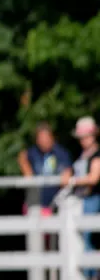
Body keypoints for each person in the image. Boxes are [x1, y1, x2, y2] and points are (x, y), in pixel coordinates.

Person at [67, 117, 100, 276]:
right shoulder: (83, 155)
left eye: (85, 137)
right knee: (81, 239)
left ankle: (91, 274)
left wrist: (74, 181)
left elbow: (94, 178)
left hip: (92, 199)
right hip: (82, 201)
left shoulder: (96, 155)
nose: (83, 141)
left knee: (88, 238)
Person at [18, 121, 73, 212]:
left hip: (56, 204)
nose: (44, 141)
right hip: (35, 203)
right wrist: (26, 169)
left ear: (52, 137)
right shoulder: (32, 153)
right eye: (41, 138)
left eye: (46, 137)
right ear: (37, 140)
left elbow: (67, 173)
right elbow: (22, 160)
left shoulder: (61, 154)